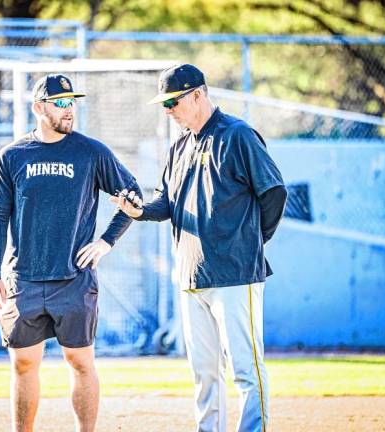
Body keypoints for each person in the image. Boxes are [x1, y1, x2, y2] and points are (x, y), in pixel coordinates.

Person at [112, 64, 287, 432]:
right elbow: (166, 202)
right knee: (205, 374)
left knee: (245, 369)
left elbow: (274, 192)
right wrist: (139, 210)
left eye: (173, 102)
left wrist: (253, 241)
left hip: (235, 274)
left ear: (198, 94)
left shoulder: (237, 135)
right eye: (164, 104)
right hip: (191, 276)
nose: (168, 110)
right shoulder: (178, 147)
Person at [0, 73, 141, 432]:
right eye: (60, 104)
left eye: (72, 103)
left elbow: (132, 198)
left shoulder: (91, 152)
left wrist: (106, 241)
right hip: (23, 279)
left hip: (74, 279)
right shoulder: (12, 156)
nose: (69, 110)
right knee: (23, 364)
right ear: (39, 108)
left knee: (80, 362)